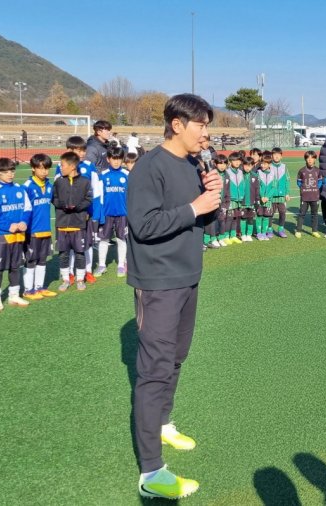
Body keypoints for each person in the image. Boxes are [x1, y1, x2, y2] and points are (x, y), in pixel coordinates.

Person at [127, 94, 223, 500]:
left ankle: (163, 423)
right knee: (154, 369)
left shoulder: (193, 165)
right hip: (158, 281)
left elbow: (207, 219)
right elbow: (144, 225)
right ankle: (151, 473)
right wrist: (194, 206)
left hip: (188, 277)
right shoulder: (149, 166)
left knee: (176, 358)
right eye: (201, 125)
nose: (207, 133)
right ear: (177, 124)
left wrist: (215, 198)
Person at [0, 158, 31, 311]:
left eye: (12, 171)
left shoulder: (19, 189)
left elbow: (27, 208)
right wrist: (8, 225)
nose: (10, 175)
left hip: (18, 235)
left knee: (15, 267)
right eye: (5, 172)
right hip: (1, 236)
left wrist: (24, 221)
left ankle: (14, 295)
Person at [60, 136, 100, 285]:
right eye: (77, 150)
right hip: (69, 215)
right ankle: (70, 273)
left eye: (83, 150)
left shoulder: (90, 166)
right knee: (70, 245)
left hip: (86, 214)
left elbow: (96, 190)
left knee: (87, 243)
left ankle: (87, 271)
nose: (82, 153)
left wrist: (94, 212)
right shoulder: (61, 167)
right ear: (69, 151)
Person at [52, 151, 92, 292]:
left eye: (62, 165)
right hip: (62, 224)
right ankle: (66, 279)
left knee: (79, 253)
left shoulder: (85, 182)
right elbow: (54, 198)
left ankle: (80, 279)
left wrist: (78, 208)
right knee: (63, 253)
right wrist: (63, 205)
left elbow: (88, 199)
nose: (60, 167)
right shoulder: (58, 181)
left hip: (78, 224)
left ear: (72, 166)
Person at [21, 154, 56, 300]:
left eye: (47, 168)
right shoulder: (27, 187)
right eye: (41, 168)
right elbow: (23, 210)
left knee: (42, 260)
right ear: (33, 169)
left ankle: (39, 287)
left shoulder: (49, 185)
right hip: (32, 231)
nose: (45, 172)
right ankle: (28, 290)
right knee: (31, 260)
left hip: (45, 230)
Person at [95, 147, 129, 277]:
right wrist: (99, 214)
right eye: (114, 159)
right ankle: (102, 264)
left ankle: (121, 265)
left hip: (122, 214)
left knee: (121, 239)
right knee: (104, 240)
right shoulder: (103, 175)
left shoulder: (126, 175)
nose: (116, 162)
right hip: (106, 214)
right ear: (108, 159)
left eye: (119, 159)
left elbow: (130, 195)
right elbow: (99, 196)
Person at [295, 151, 322, 238]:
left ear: (315, 159)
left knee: (314, 214)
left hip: (315, 196)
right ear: (305, 159)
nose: (310, 160)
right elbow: (299, 182)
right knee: (302, 214)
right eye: (308, 158)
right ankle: (298, 230)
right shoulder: (301, 171)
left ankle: (314, 231)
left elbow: (320, 182)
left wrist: (316, 188)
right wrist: (303, 189)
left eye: (312, 158)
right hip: (305, 197)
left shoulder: (318, 170)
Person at [224, 152, 245, 244]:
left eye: (239, 160)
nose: (237, 162)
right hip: (230, 199)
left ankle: (233, 235)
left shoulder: (240, 172)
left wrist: (242, 195)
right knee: (229, 218)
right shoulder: (227, 172)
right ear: (230, 161)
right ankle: (225, 236)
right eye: (234, 160)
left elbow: (243, 185)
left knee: (236, 218)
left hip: (238, 199)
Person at [269, 147, 290, 238]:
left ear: (281, 156)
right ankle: (269, 229)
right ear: (272, 156)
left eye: (278, 155)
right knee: (270, 213)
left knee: (282, 212)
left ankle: (281, 229)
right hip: (271, 195)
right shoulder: (269, 166)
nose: (276, 156)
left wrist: (287, 193)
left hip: (282, 195)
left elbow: (287, 180)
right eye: (274, 154)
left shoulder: (284, 167)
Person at [256, 152, 275, 241]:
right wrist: (261, 196)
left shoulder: (273, 173)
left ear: (269, 164)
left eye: (265, 164)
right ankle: (259, 233)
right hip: (260, 200)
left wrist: (267, 197)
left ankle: (264, 233)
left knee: (266, 217)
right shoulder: (258, 172)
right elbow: (257, 186)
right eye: (262, 163)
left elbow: (274, 187)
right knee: (259, 216)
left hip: (268, 200)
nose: (262, 165)